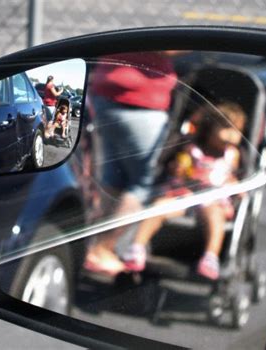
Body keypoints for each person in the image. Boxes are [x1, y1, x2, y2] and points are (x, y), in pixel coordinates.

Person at [122, 101, 247, 280]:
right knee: (159, 206)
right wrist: (179, 169)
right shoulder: (192, 149)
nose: (232, 135)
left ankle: (210, 257)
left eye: (237, 130)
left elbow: (232, 176)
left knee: (215, 216)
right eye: (226, 128)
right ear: (210, 128)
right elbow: (177, 170)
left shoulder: (232, 155)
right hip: (184, 194)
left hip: (212, 200)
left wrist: (235, 185)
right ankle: (137, 247)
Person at [83, 51, 179, 276]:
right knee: (141, 185)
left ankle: (92, 247)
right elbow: (169, 47)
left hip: (106, 94)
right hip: (139, 102)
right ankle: (102, 249)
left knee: (114, 178)